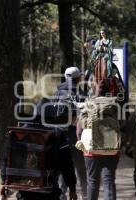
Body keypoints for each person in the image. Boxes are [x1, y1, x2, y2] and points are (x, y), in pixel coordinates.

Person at [0, 99, 77, 200]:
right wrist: (72, 188)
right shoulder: (57, 135)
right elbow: (67, 165)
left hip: (25, 192)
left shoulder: (20, 134)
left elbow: (7, 158)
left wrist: (3, 182)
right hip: (49, 191)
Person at [76, 86, 120, 200]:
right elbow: (122, 127)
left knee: (92, 181)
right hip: (111, 148)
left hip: (91, 150)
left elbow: (79, 131)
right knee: (109, 180)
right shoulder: (114, 106)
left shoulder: (88, 105)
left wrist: (82, 143)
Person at [54, 66, 88, 200]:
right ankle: (85, 193)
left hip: (60, 136)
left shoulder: (57, 93)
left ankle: (62, 194)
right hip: (77, 135)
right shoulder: (81, 94)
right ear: (78, 78)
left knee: (64, 165)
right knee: (80, 165)